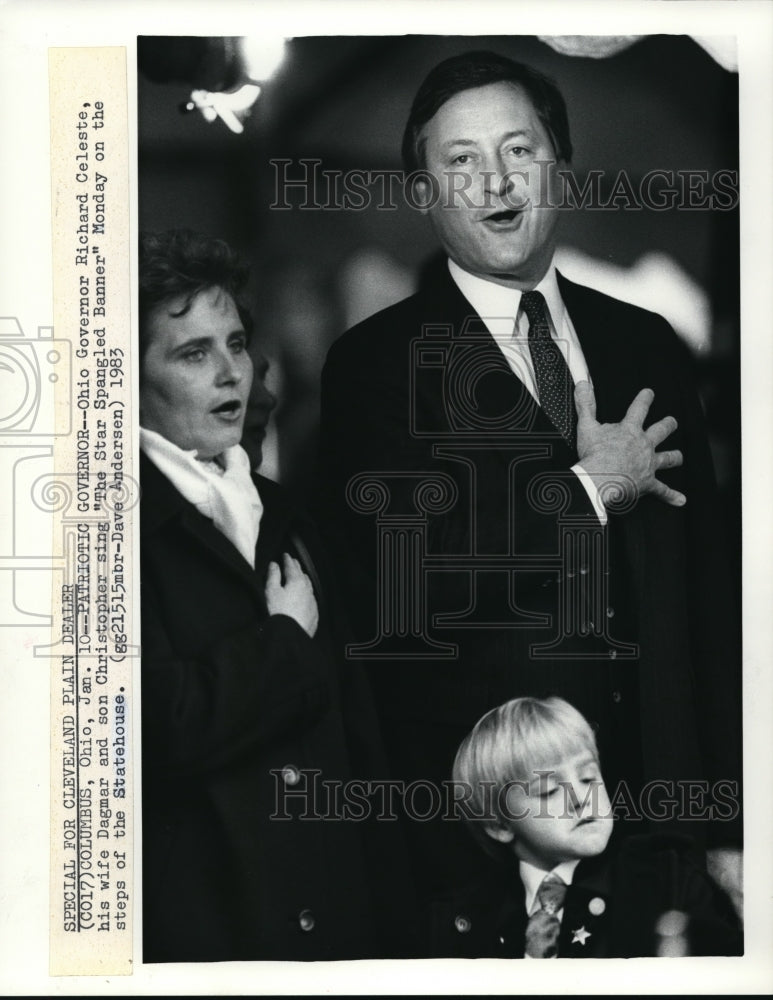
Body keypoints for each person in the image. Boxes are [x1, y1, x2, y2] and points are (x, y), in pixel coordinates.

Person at [319, 51, 741, 923]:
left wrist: (728, 813)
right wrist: (587, 488)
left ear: (562, 165)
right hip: (502, 834)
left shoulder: (646, 342)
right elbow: (416, 585)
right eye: (460, 161)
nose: (495, 181)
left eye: (519, 150)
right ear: (424, 193)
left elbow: (711, 588)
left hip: (666, 817)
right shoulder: (373, 366)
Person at [138, 229, 403, 962]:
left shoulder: (285, 515)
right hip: (205, 933)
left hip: (335, 924)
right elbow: (153, 731)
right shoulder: (108, 526)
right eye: (193, 354)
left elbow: (358, 740)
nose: (233, 374)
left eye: (235, 344)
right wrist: (283, 644)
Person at [430, 696, 741, 958]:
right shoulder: (470, 917)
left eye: (589, 777)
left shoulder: (666, 881)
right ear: (499, 824)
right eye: (549, 791)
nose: (582, 798)